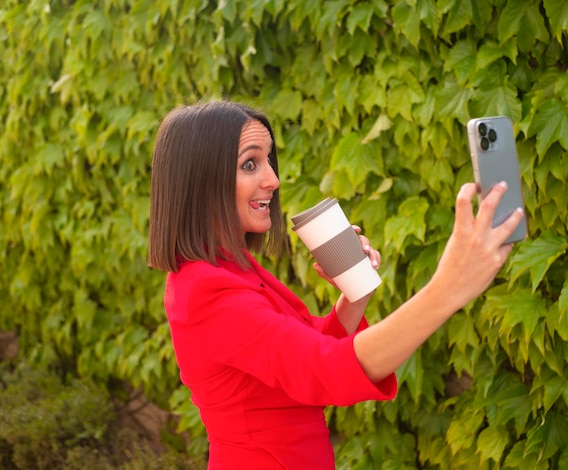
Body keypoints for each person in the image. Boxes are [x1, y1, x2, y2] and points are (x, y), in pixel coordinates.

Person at [148, 100, 524, 469]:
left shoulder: (229, 268)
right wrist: (448, 288)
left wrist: (355, 294)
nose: (273, 181)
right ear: (200, 179)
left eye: (268, 161)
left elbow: (302, 351)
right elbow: (320, 369)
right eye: (250, 164)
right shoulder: (205, 290)